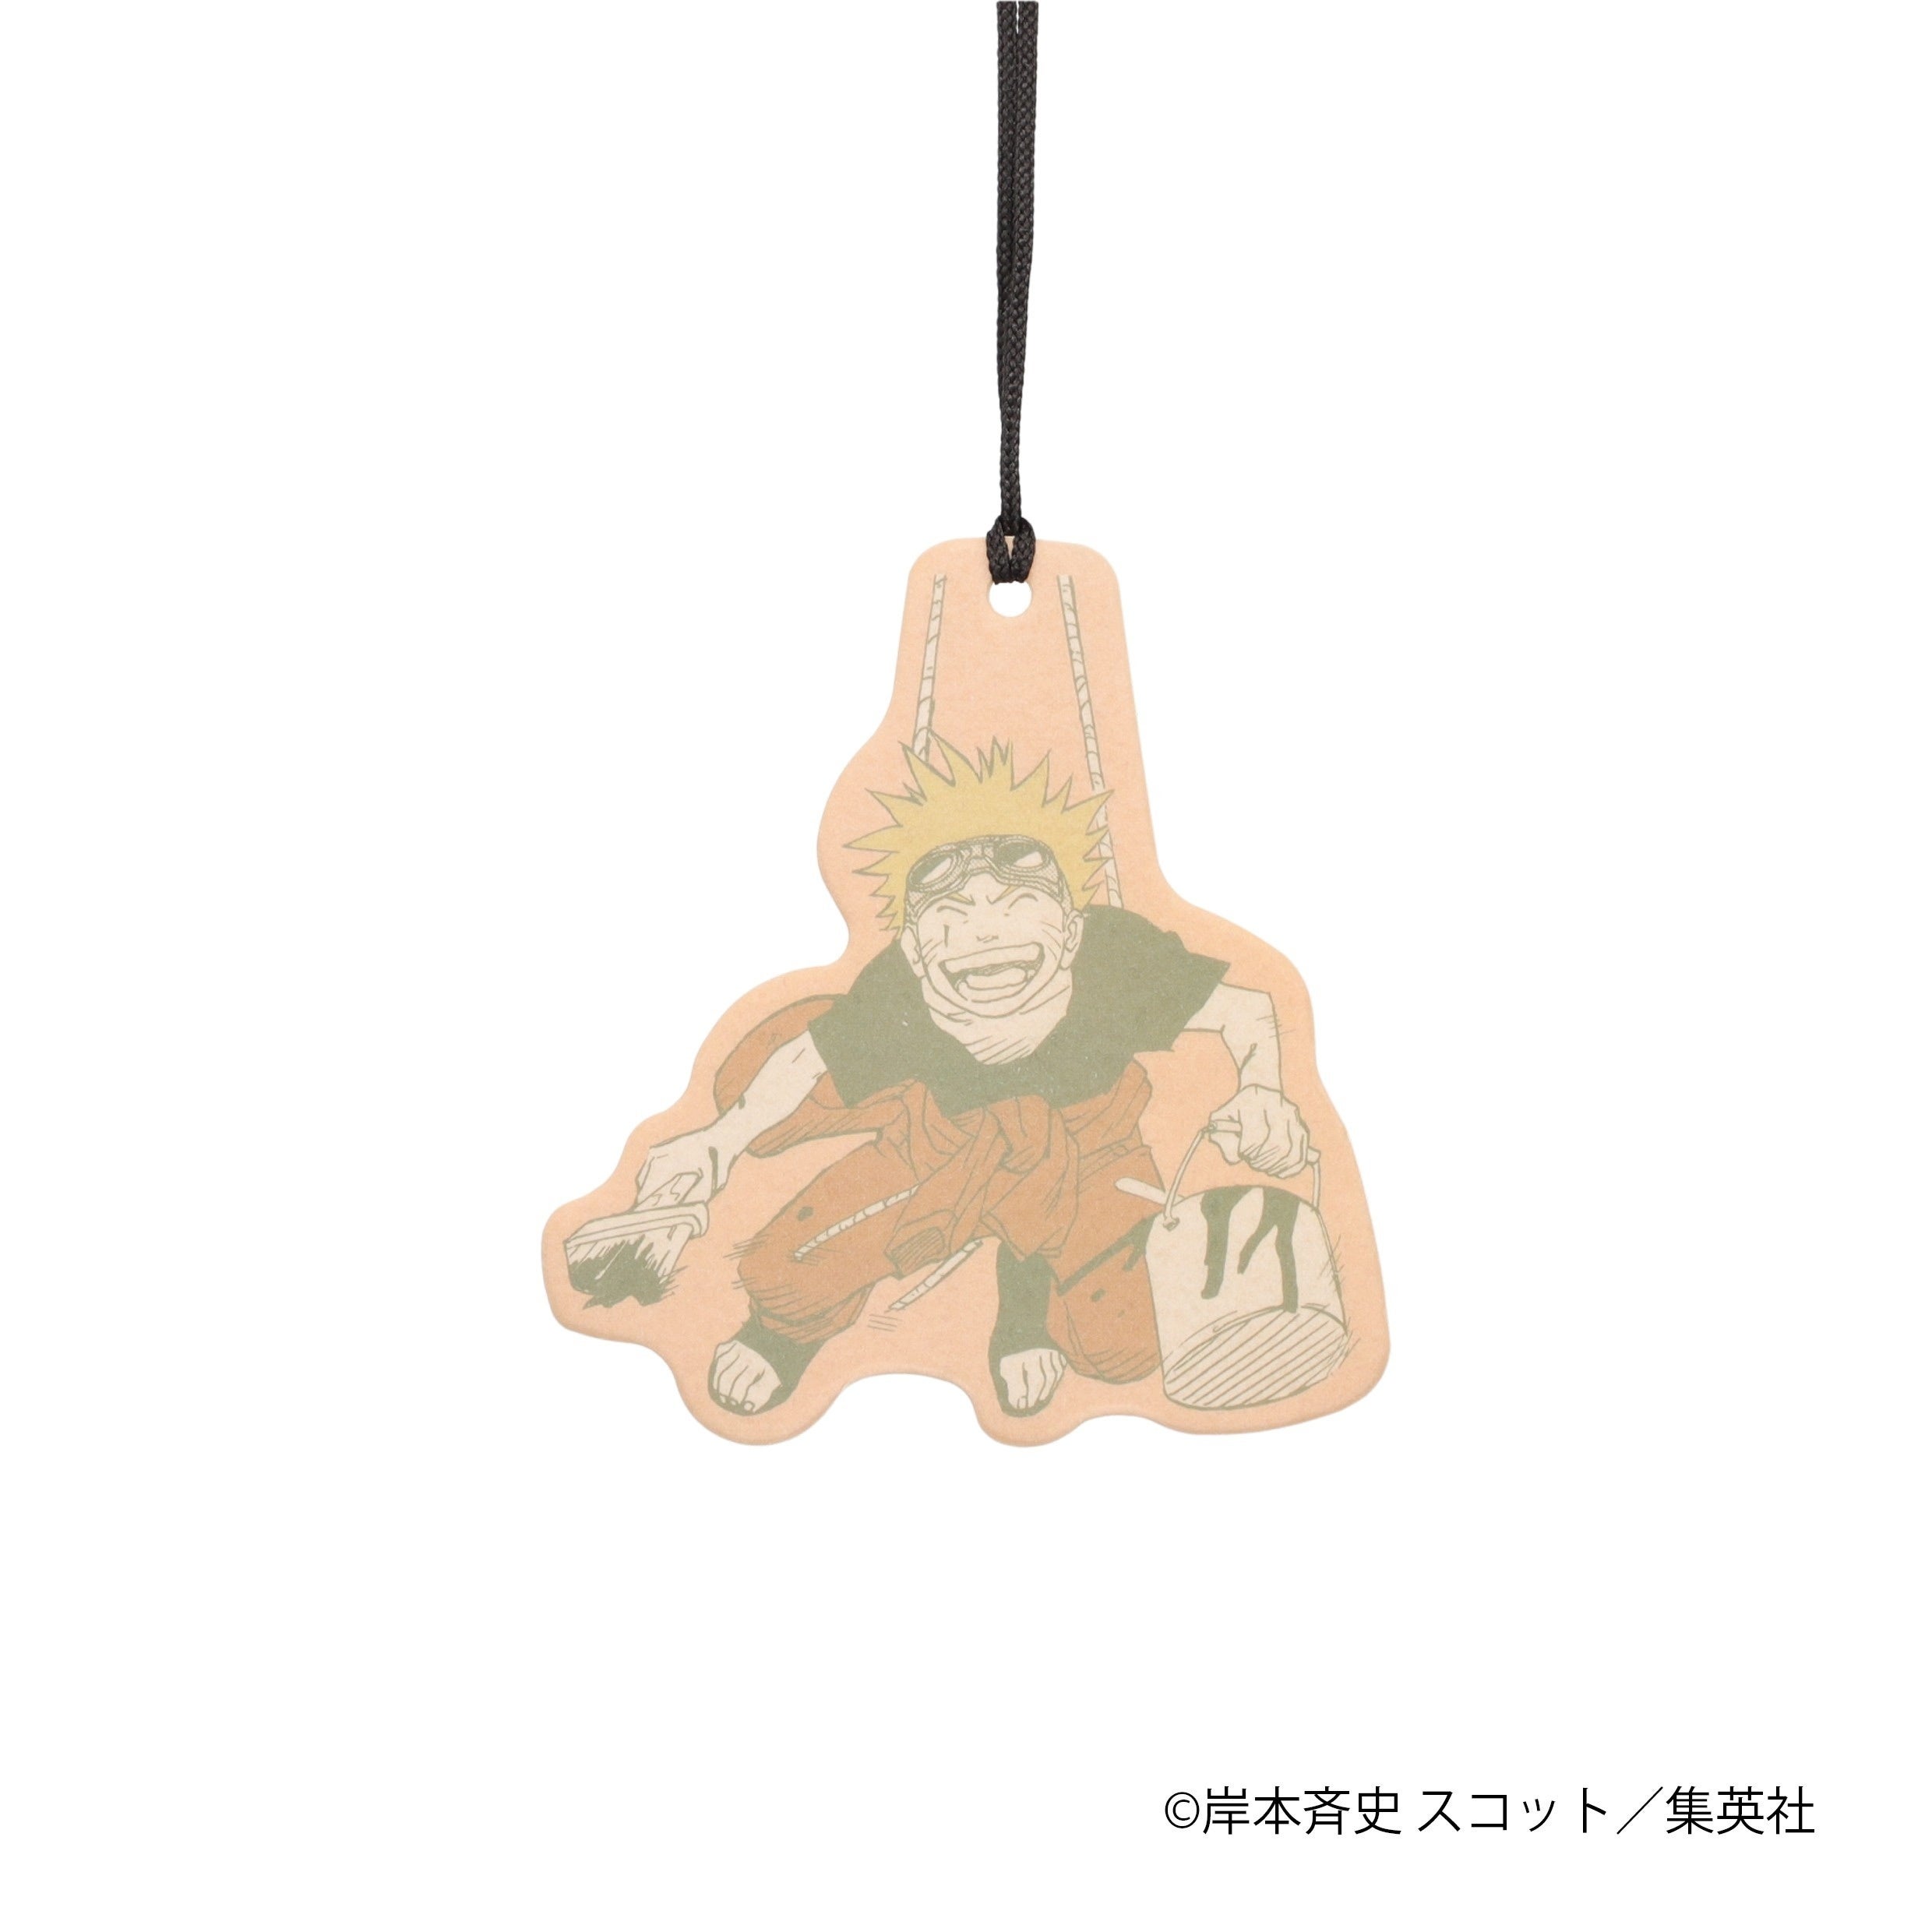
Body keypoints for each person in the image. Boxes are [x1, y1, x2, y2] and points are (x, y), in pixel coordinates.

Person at [630, 742, 1312, 1416]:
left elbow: (1246, 1010)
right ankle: (783, 1337)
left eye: (1017, 905)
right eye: (953, 915)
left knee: (1123, 1340)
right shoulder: (896, 987)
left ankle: (1026, 1301)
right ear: (914, 950)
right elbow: (804, 1057)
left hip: (1091, 1149)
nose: (986, 933)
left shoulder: (1116, 955)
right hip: (941, 1147)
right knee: (789, 1267)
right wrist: (720, 1140)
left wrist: (1263, 1089)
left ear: (1072, 931)